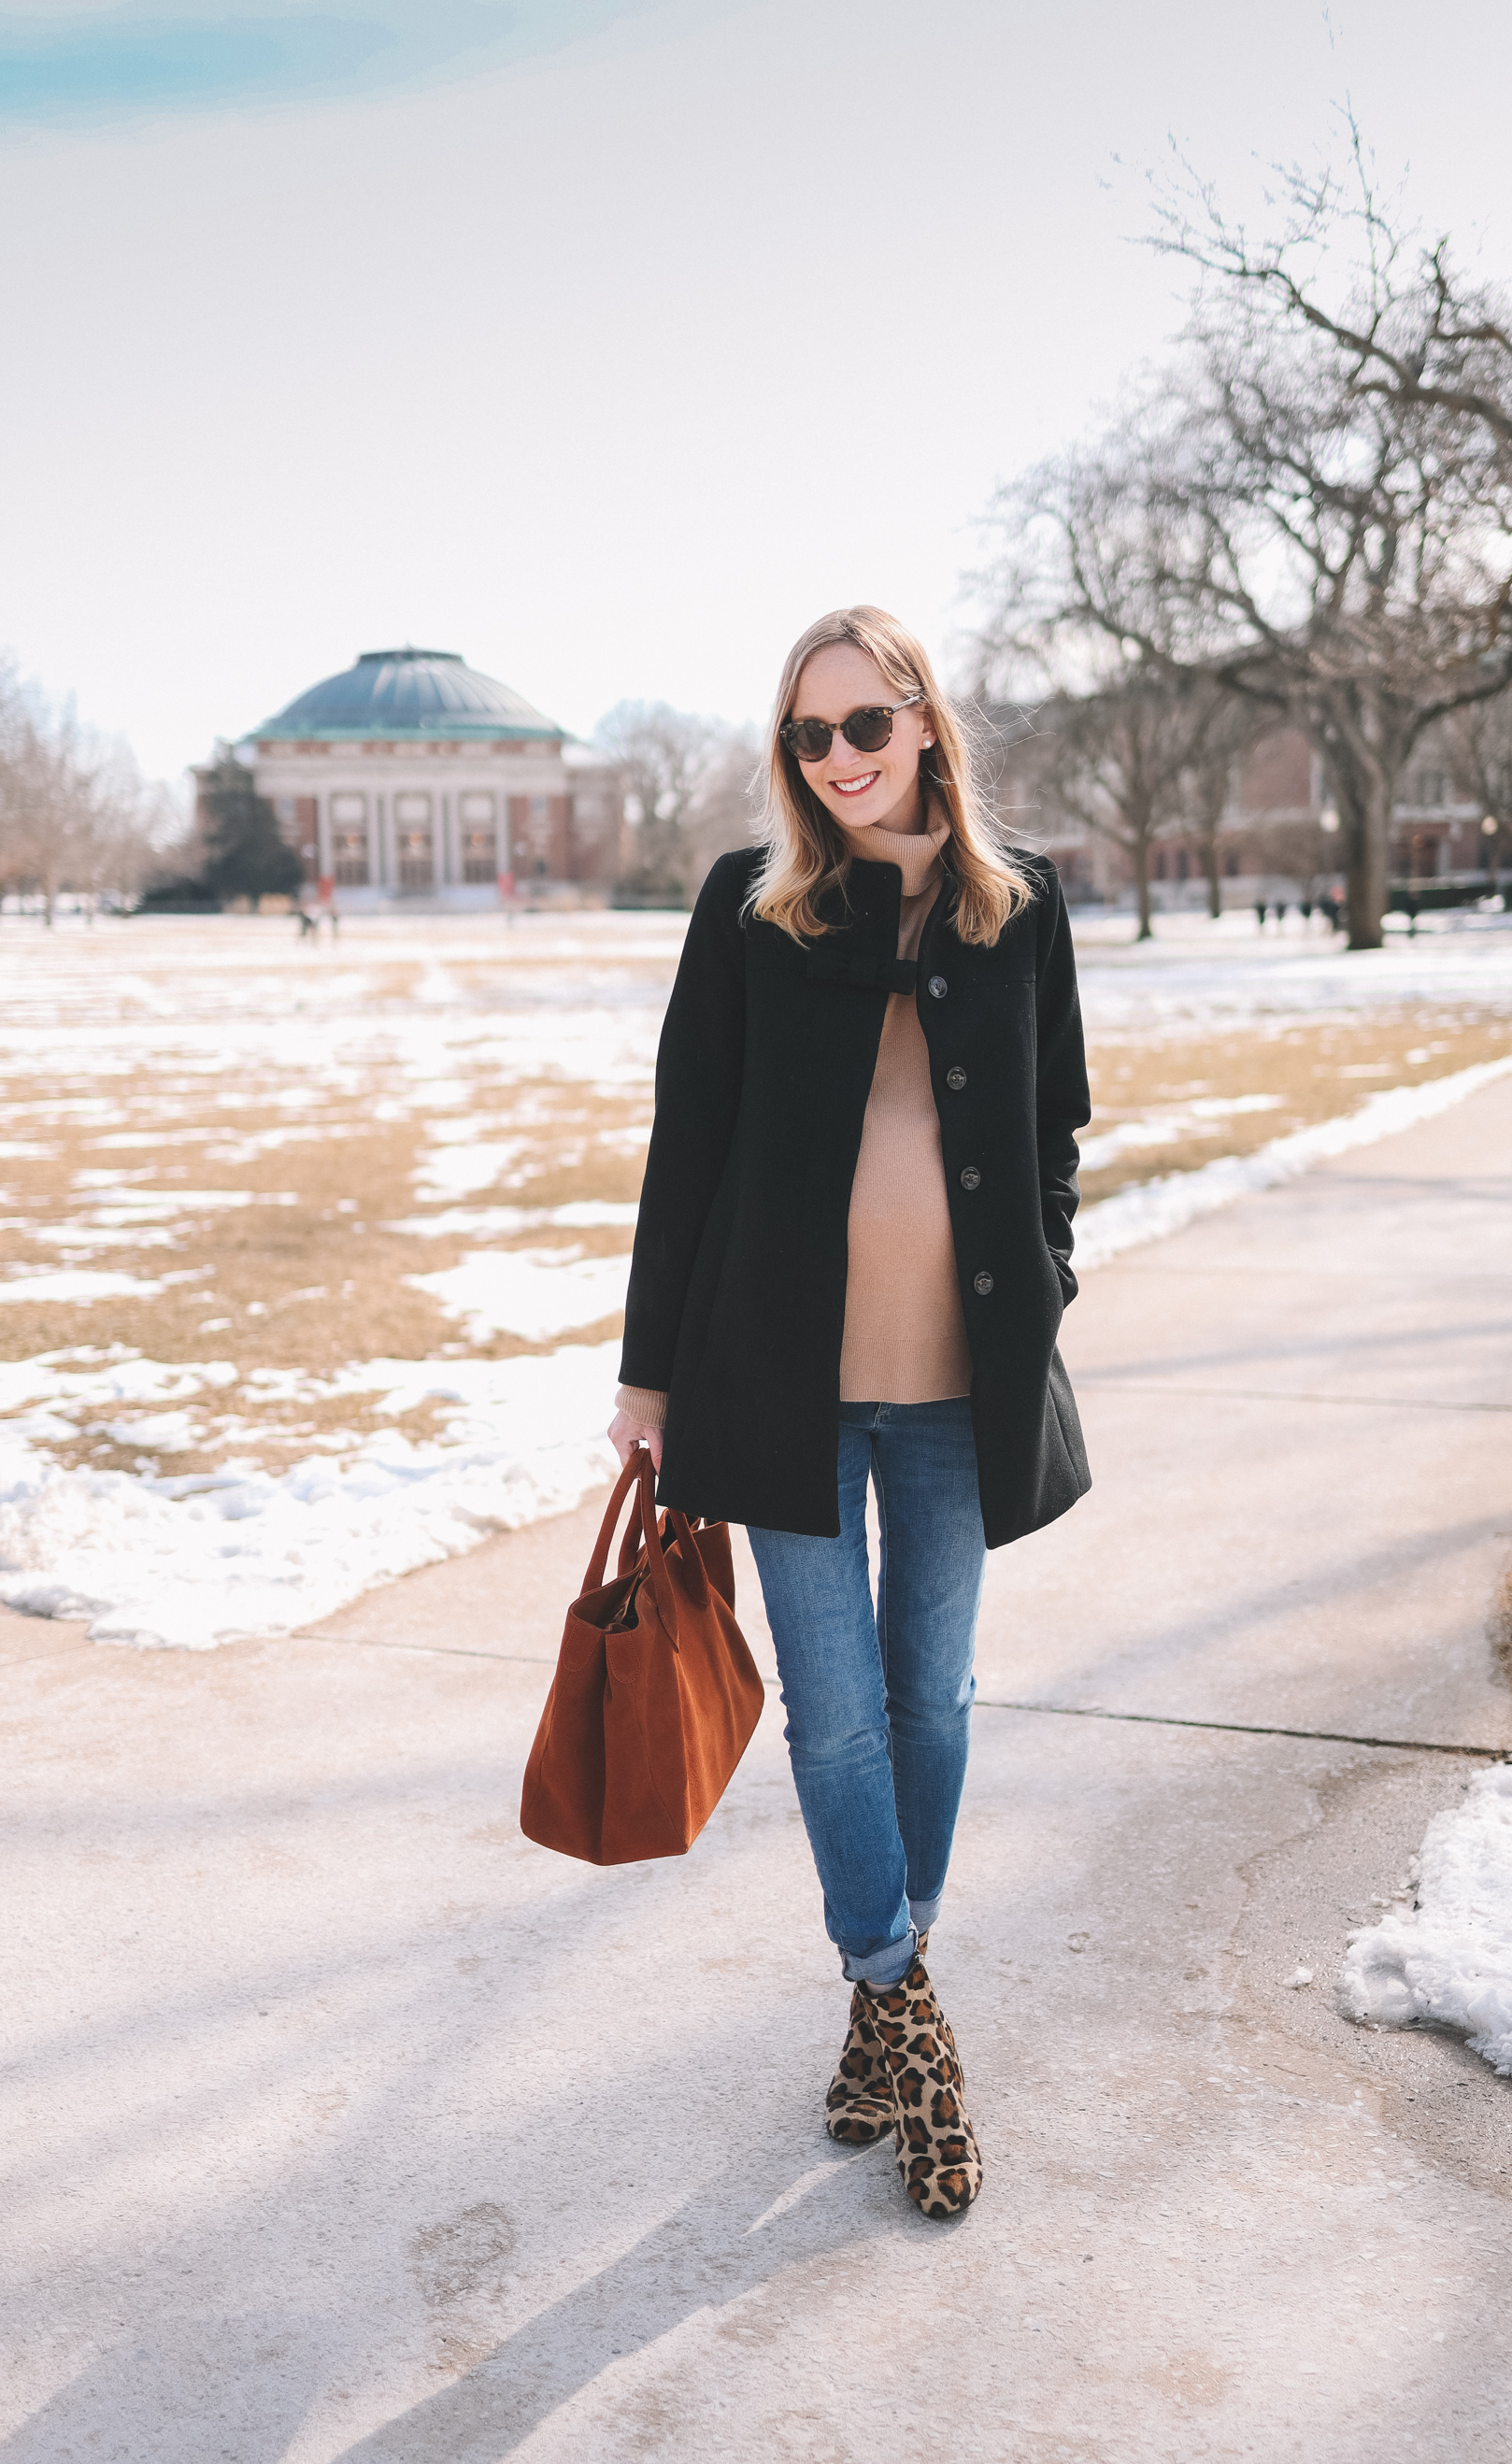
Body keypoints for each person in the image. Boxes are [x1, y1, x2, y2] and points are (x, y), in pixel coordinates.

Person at [609, 605, 1091, 2218]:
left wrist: (1050, 1277)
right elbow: (690, 1145)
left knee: (932, 1701)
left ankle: (887, 2014)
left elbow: (1055, 1130)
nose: (838, 763)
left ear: (924, 723)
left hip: (962, 1388)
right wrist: (646, 1379)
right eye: (809, 739)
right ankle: (909, 2016)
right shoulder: (752, 912)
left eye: (864, 728)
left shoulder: (1015, 911)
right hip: (782, 1388)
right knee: (833, 1721)